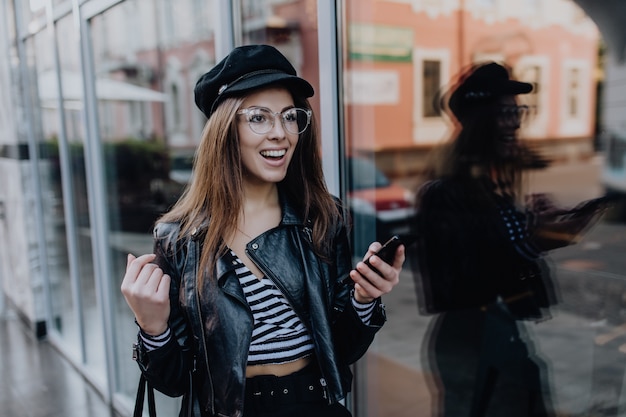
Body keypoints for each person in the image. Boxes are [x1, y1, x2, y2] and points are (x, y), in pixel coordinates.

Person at [120, 44, 404, 417]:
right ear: (225, 130)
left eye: (290, 117)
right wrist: (152, 326)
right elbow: (174, 381)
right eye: (259, 118)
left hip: (314, 405)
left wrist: (363, 299)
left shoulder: (321, 217)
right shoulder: (179, 238)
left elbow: (343, 349)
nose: (280, 133)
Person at [411, 62, 607, 417]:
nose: (515, 123)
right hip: (472, 343)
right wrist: (534, 242)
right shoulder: (445, 194)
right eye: (504, 113)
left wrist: (535, 226)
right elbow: (456, 287)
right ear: (478, 121)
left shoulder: (490, 189)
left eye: (519, 113)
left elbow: (498, 259)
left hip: (500, 335)